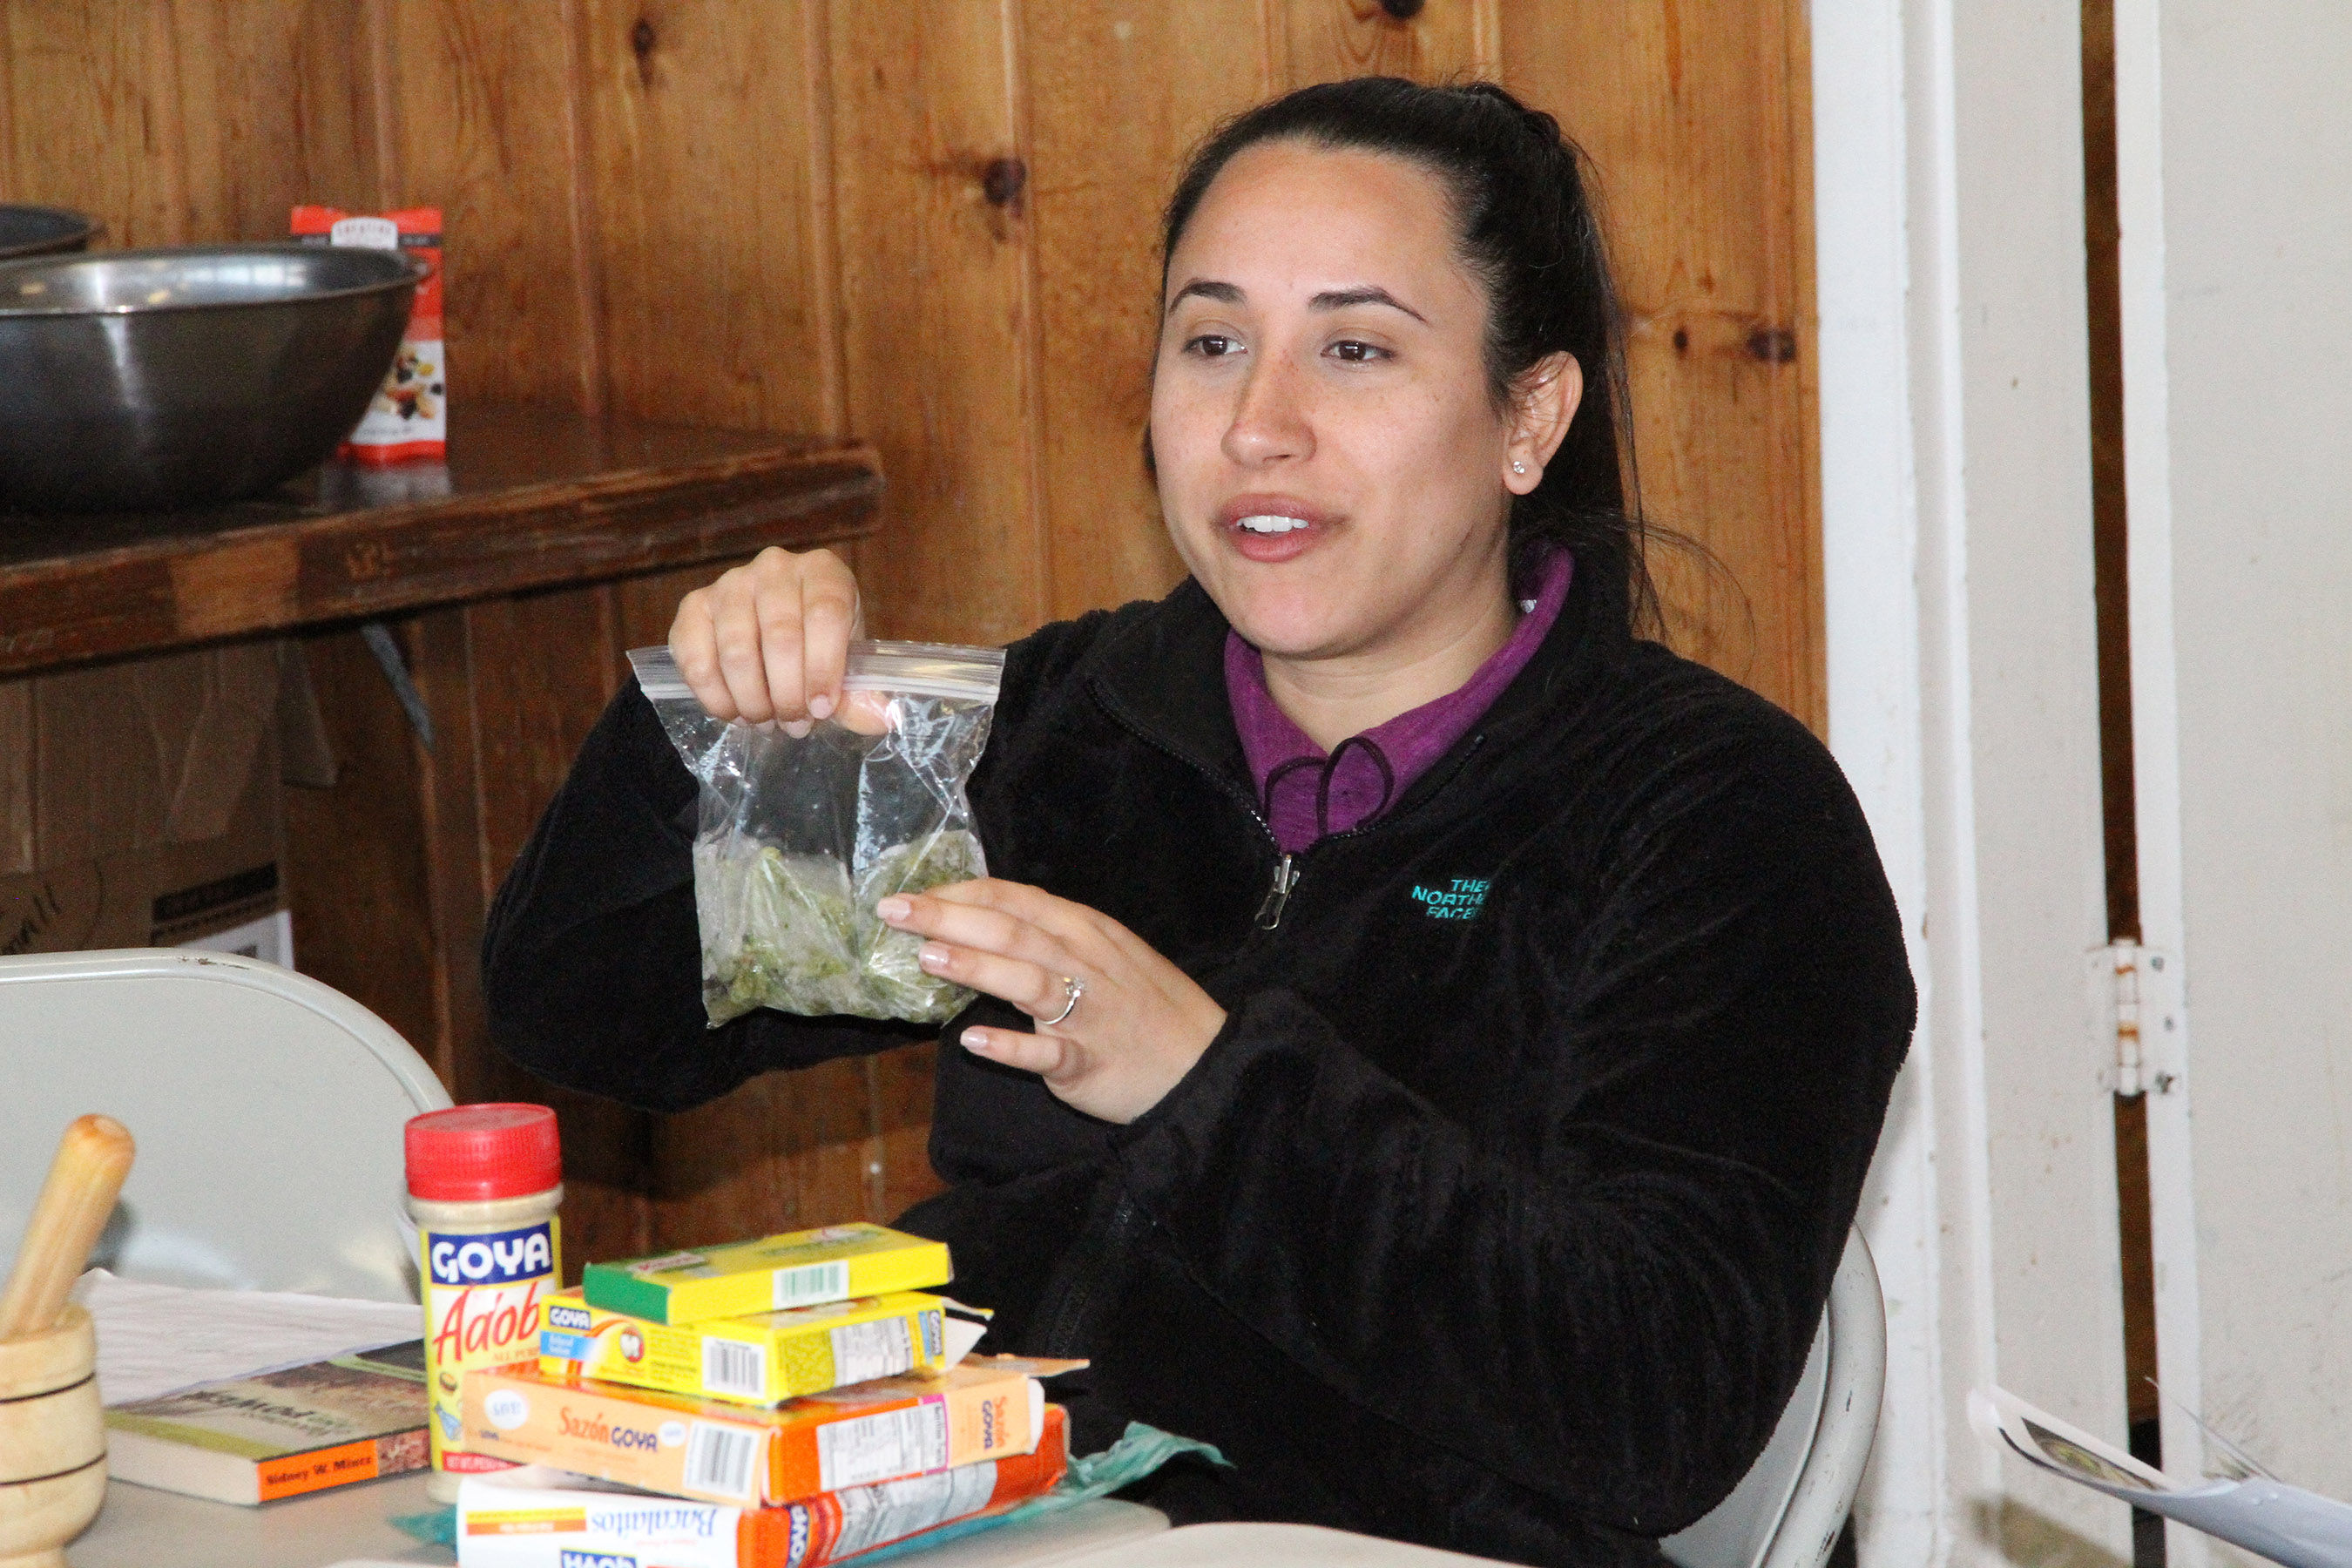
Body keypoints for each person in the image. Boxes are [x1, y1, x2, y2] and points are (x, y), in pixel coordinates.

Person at [484, 77, 1913, 1567]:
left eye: (1355, 350)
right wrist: (721, 718)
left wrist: (1206, 1085)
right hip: (983, 1516)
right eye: (1213, 342)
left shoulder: (1718, 817)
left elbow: (1655, 1404)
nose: (1257, 427)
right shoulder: (1074, 729)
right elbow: (585, 1007)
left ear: (1528, 417)